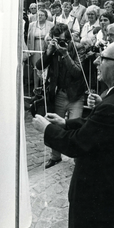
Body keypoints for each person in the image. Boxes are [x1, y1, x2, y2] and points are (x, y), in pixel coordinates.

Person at [33, 39, 114, 228]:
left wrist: (47, 129)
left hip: (96, 197)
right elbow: (101, 129)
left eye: (103, 58)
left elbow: (78, 144)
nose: (97, 61)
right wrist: (65, 122)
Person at [35, 23, 85, 169]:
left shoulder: (78, 48)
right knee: (55, 126)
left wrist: (65, 54)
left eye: (62, 40)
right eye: (56, 39)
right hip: (59, 94)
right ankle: (55, 156)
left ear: (69, 39)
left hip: (76, 95)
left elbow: (77, 72)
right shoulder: (53, 48)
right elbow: (39, 66)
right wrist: (49, 51)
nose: (60, 42)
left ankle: (78, 159)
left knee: (76, 127)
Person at [27, 9, 54, 88]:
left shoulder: (51, 24)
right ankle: (36, 88)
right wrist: (29, 50)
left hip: (46, 46)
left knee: (45, 67)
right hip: (35, 46)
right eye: (38, 15)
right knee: (36, 67)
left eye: (42, 15)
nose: (40, 16)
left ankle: (44, 88)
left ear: (46, 17)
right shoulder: (32, 24)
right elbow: (29, 38)